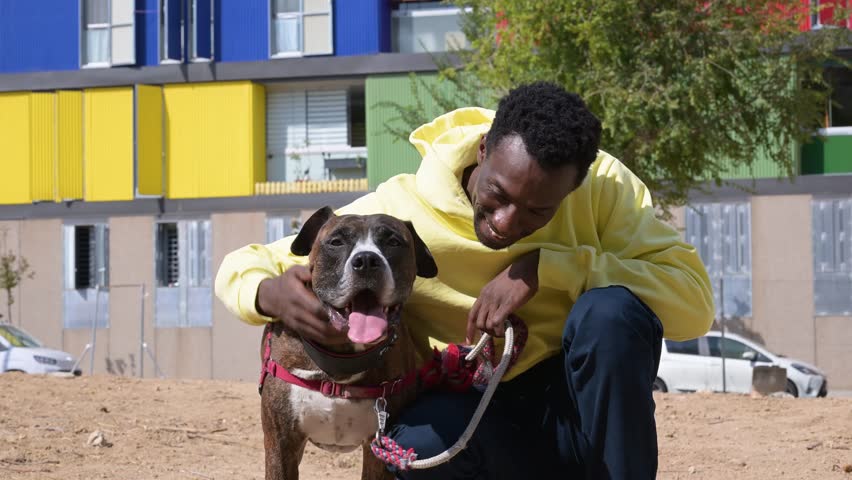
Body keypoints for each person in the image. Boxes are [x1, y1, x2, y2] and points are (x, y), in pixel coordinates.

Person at [215, 81, 714, 479]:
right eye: (496, 195)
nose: (506, 223)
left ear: (573, 189)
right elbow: (247, 262)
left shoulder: (603, 190)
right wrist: (266, 292)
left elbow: (693, 301)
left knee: (610, 315)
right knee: (414, 442)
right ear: (483, 149)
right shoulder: (402, 215)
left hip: (580, 409)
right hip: (479, 413)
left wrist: (549, 266)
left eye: (538, 210)